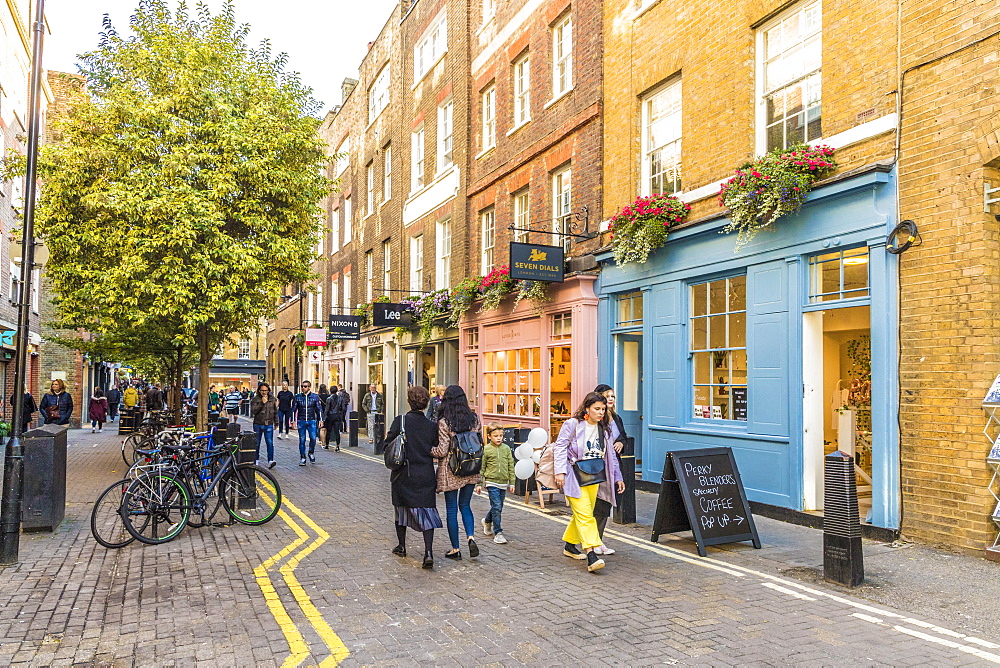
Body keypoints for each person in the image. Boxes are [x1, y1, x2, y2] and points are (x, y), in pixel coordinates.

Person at [553, 391, 625, 573]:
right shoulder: (573, 425)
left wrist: (618, 477)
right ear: (587, 408)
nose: (601, 412)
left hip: (594, 476)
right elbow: (560, 447)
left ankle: (570, 545)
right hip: (573, 476)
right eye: (597, 409)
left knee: (582, 514)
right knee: (586, 515)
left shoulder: (605, 429)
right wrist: (560, 472)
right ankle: (592, 555)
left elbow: (611, 457)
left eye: (603, 409)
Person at [384, 385, 442, 569]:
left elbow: (387, 444)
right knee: (427, 512)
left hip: (403, 474)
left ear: (409, 401)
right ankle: (428, 553)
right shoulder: (432, 426)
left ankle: (402, 546)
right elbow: (434, 447)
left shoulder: (400, 421)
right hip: (425, 474)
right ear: (426, 404)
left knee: (401, 510)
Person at [430, 385, 481, 561]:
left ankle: (455, 549)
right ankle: (471, 537)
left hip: (452, 469)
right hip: (471, 467)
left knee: (452, 509)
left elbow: (442, 450)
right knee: (465, 505)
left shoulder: (444, 422)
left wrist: (429, 450)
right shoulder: (474, 419)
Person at [592, 384, 629, 556]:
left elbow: (623, 436)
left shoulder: (616, 418)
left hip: (614, 466)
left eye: (613, 396)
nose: (612, 399)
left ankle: (597, 541)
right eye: (608, 396)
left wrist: (622, 441)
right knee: (598, 506)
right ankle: (592, 542)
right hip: (600, 467)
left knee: (604, 506)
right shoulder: (598, 420)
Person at [476, 422, 516, 544]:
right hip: (491, 481)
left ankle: (487, 521)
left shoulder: (506, 449)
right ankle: (498, 532)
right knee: (497, 506)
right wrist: (478, 483)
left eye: (500, 435)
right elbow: (481, 467)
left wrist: (512, 482)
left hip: (503, 482)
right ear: (489, 436)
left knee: (497, 507)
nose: (499, 438)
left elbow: (511, 465)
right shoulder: (486, 449)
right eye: (495, 436)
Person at [293, 380, 323, 465]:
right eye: (302, 386)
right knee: (302, 439)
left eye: (305, 386)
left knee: (313, 438)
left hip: (311, 420)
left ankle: (311, 452)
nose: (303, 388)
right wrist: (293, 421)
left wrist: (321, 419)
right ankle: (302, 457)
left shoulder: (315, 397)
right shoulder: (297, 397)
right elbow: (293, 409)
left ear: (309, 387)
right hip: (301, 420)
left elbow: (319, 409)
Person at [251, 382, 278, 469]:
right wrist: (262, 403)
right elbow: (253, 411)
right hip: (258, 423)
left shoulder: (273, 399)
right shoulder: (255, 399)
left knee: (269, 442)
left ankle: (270, 460)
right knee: (257, 443)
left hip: (269, 423)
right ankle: (256, 460)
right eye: (262, 390)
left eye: (266, 390)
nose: (264, 392)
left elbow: (275, 411)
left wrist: (276, 422)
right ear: (259, 390)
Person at [324, 385, 344, 451]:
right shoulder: (340, 398)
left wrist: (324, 418)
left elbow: (327, 409)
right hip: (337, 416)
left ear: (330, 390)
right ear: (337, 390)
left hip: (330, 416)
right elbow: (343, 408)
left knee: (328, 431)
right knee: (336, 431)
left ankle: (327, 445)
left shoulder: (329, 399)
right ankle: (337, 446)